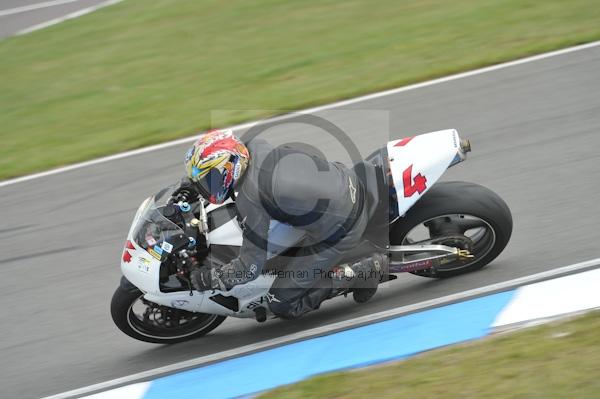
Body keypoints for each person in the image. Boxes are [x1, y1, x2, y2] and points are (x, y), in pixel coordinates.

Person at [178, 129, 387, 319]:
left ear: (229, 168)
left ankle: (365, 271)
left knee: (281, 303)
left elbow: (249, 268)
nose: (208, 187)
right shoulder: (255, 146)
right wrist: (191, 184)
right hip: (343, 180)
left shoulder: (251, 198)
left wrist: (210, 279)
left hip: (342, 227)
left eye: (210, 180)